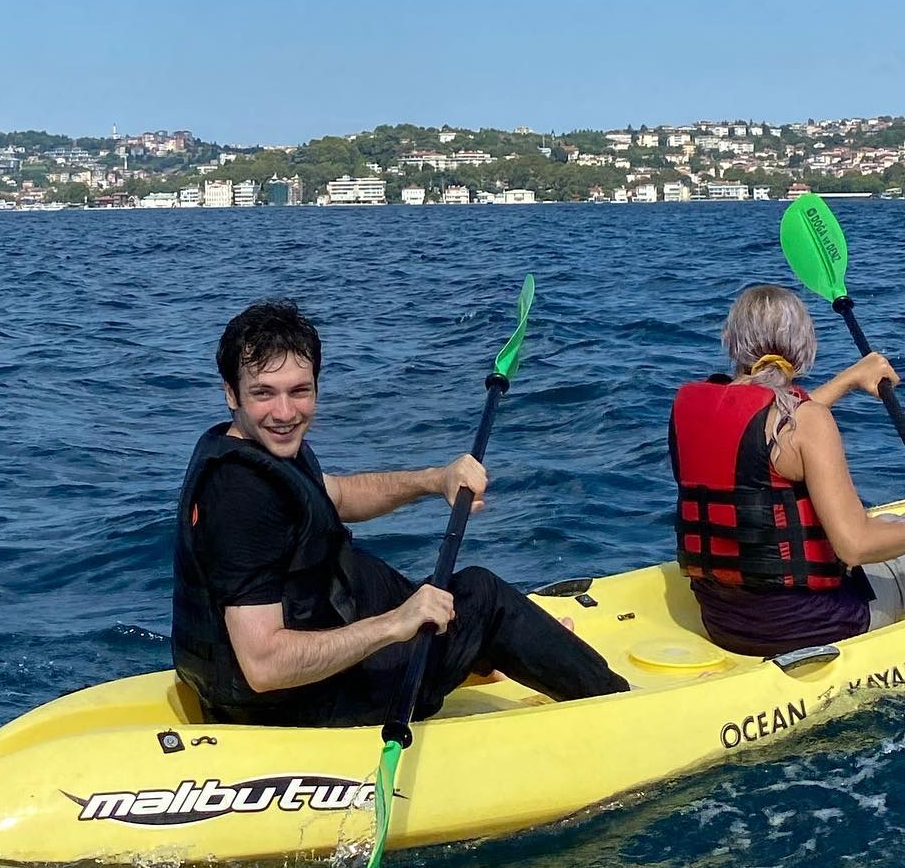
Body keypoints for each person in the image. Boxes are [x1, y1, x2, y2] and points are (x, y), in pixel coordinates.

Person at [171, 299, 629, 727]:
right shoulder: (242, 498)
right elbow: (264, 667)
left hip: (268, 667)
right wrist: (395, 624)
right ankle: (618, 703)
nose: (285, 412)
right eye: (264, 393)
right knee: (483, 598)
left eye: (299, 391)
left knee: (392, 583)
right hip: (288, 704)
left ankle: (492, 654)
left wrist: (436, 479)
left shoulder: (255, 446)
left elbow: (338, 497)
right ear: (231, 394)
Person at [670, 284, 905, 656]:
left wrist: (848, 380)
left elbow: (772, 431)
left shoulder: (689, 408)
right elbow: (854, 546)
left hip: (723, 623)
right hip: (813, 625)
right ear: (805, 347)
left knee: (892, 523)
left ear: (730, 339)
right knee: (889, 531)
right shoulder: (807, 422)